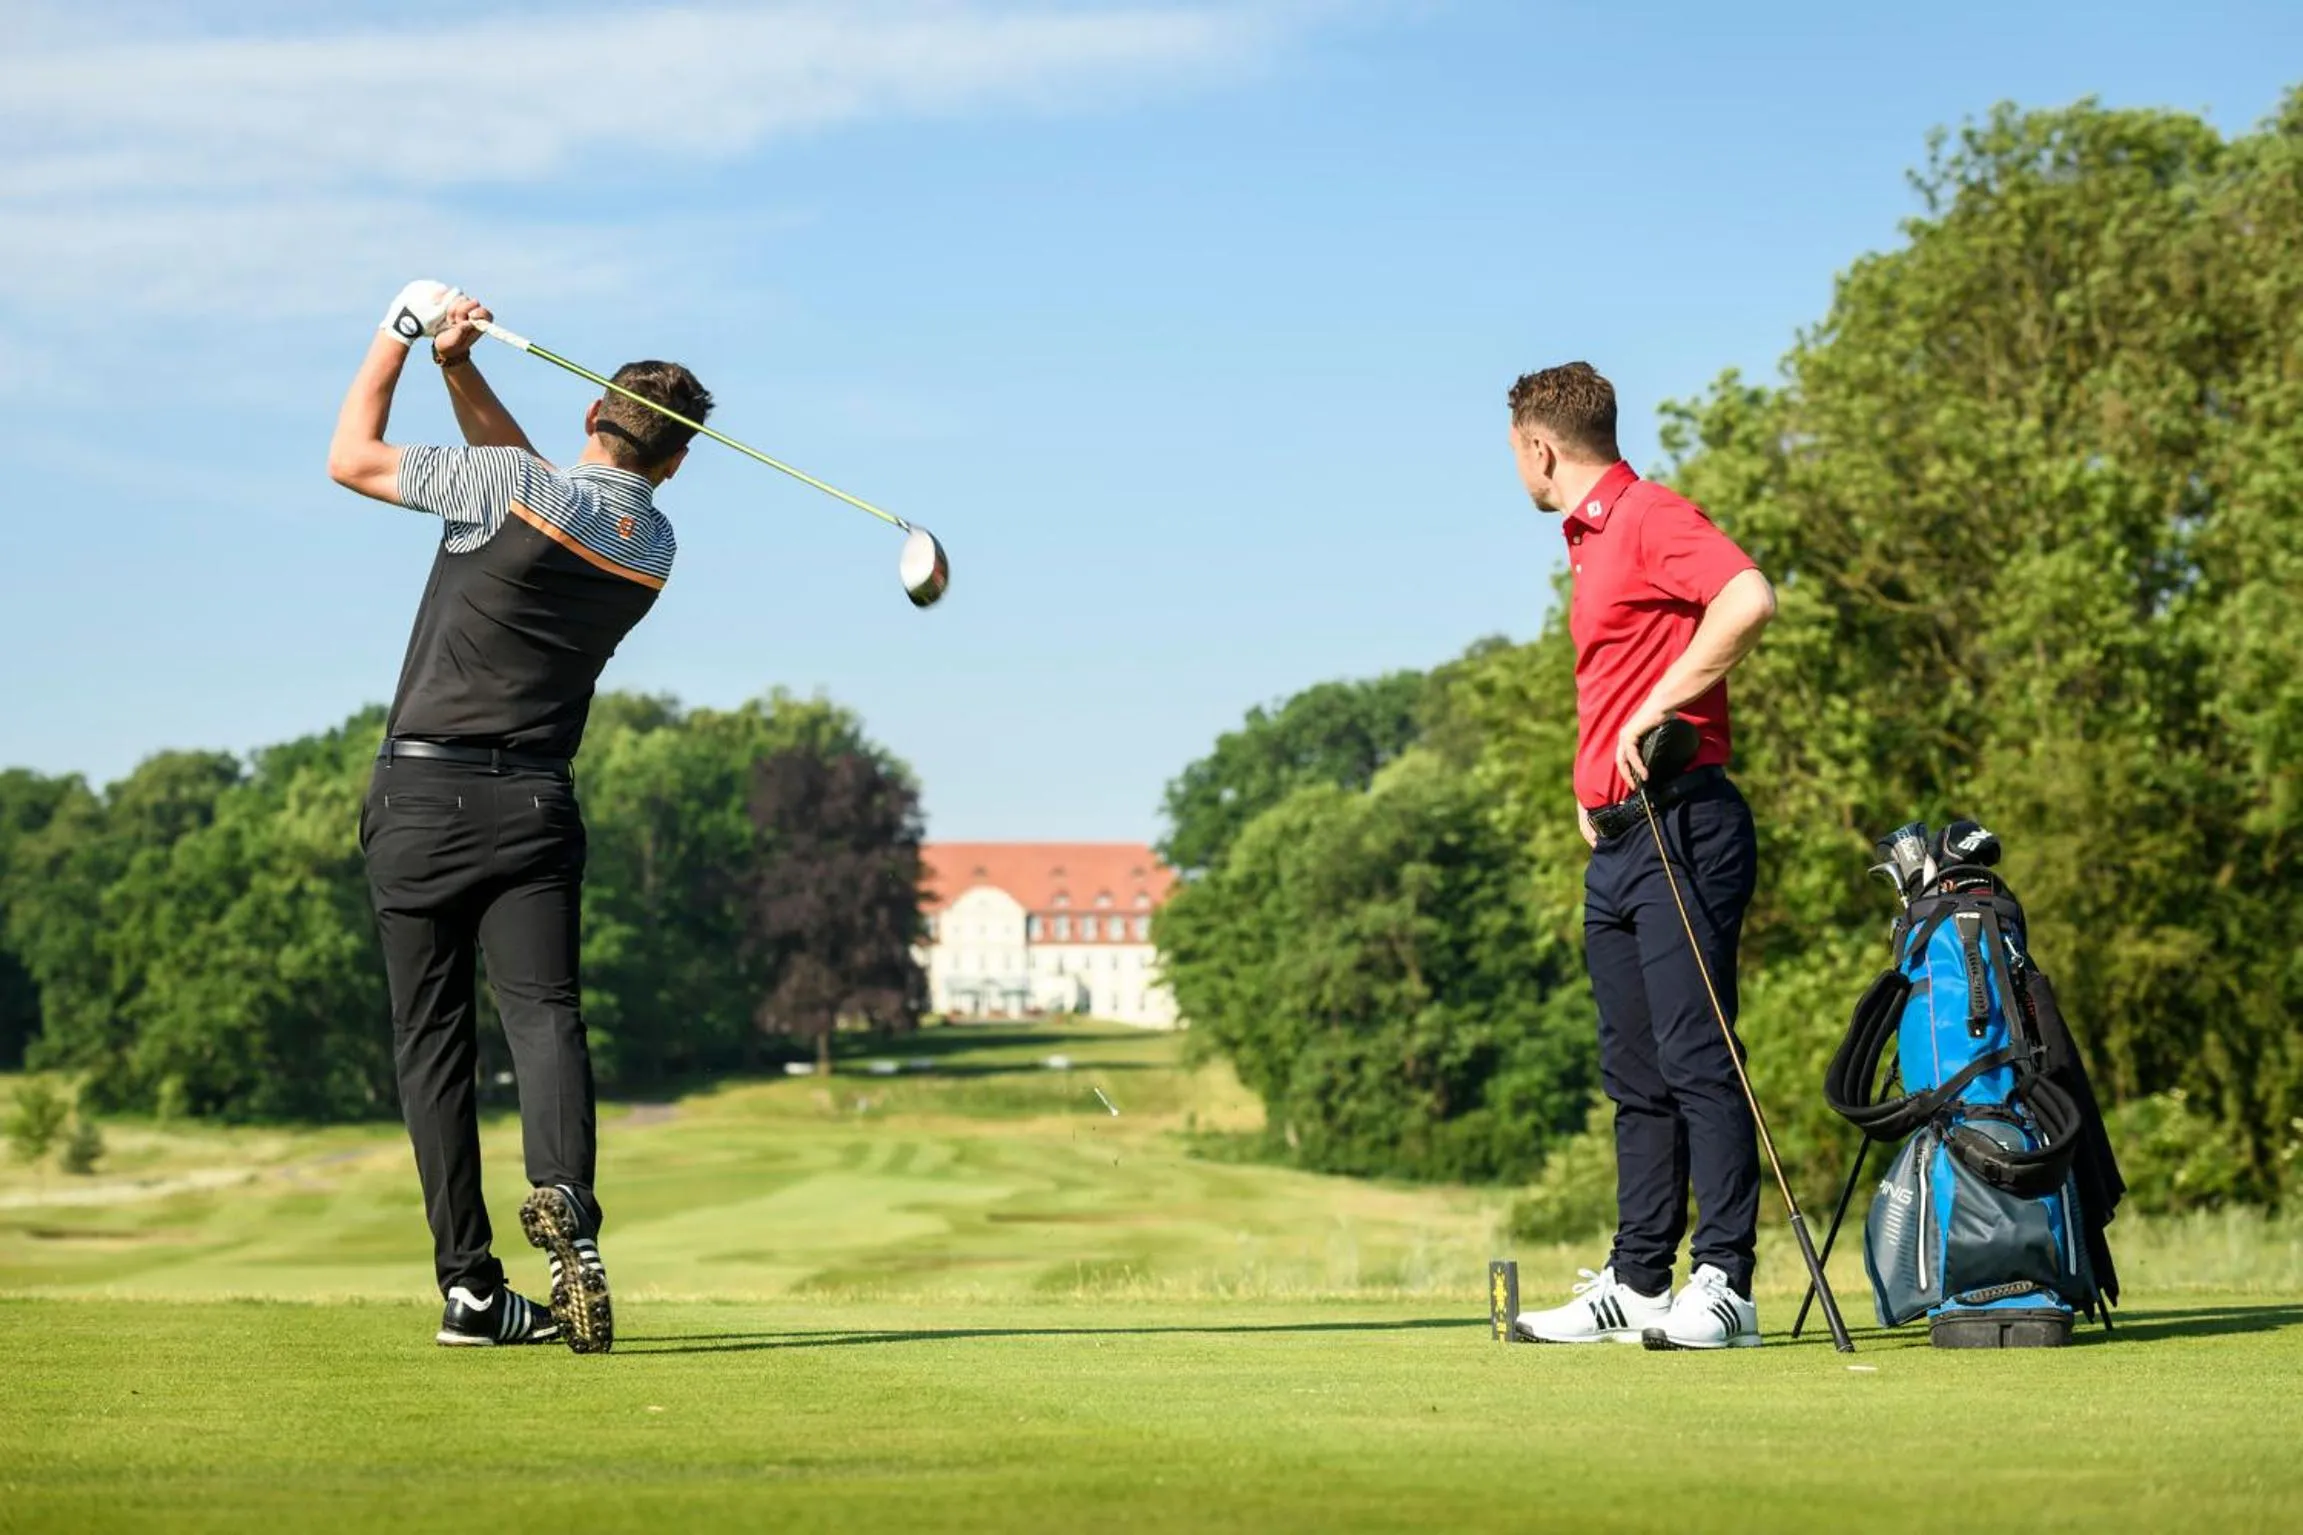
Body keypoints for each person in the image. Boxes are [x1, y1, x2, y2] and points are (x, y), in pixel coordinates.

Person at [327, 280, 713, 1351]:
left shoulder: (509, 484)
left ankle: (469, 1285)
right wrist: (460, 367)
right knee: (543, 1015)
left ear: (593, 416)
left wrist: (399, 333)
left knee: (432, 1041)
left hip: (418, 796)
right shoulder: (653, 547)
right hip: (535, 798)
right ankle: (567, 1202)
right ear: (674, 462)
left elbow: (350, 456)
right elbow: (534, 481)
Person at [1502, 362, 1779, 1350]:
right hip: (1619, 840)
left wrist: (1661, 705)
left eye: (1515, 456)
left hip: (1684, 825)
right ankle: (1638, 1279)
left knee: (1697, 1057)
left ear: (1537, 446)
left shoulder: (1647, 514)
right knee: (1634, 1074)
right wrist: (1591, 791)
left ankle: (1726, 1283)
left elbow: (1745, 596)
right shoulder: (1587, 543)